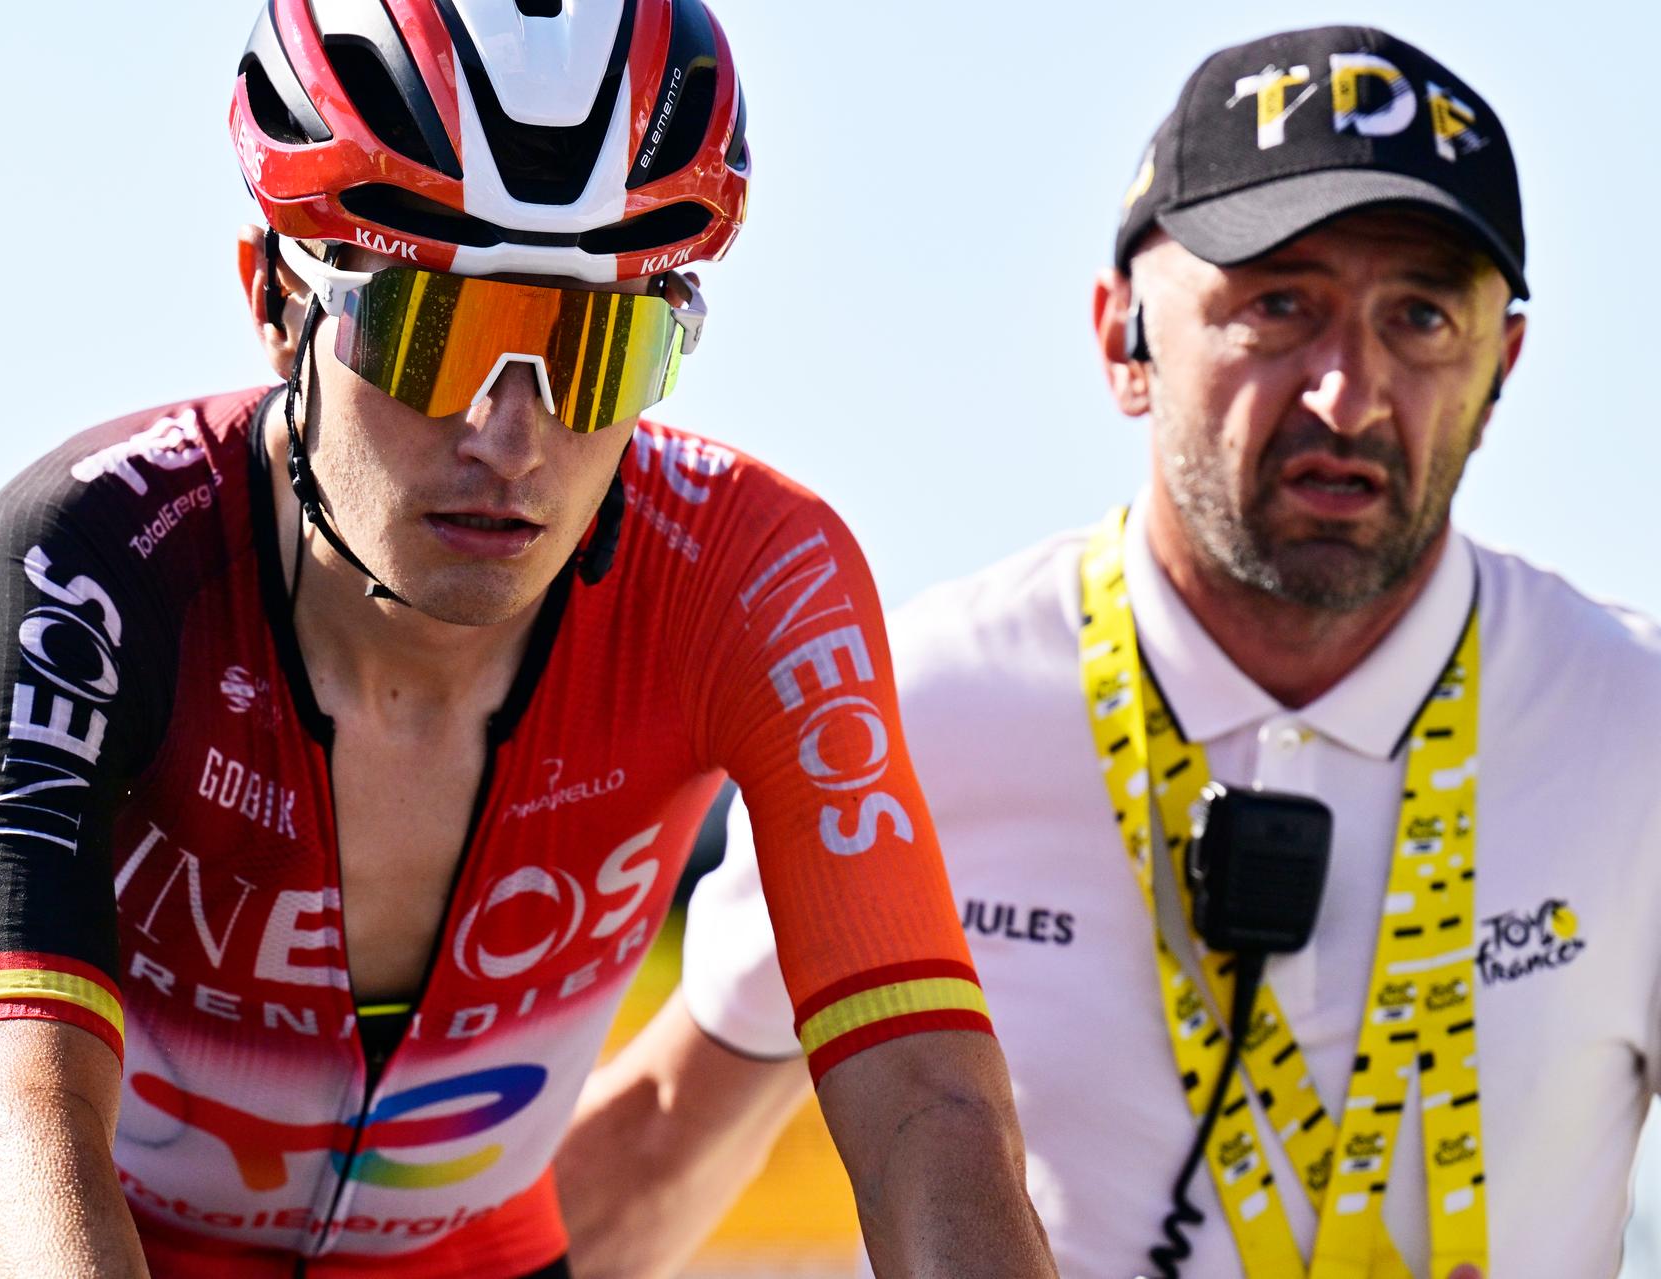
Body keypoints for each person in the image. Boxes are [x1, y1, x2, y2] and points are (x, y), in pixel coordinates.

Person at [0, 2, 1059, 1277]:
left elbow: (932, 1112)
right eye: (437, 339)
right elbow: (11, 1117)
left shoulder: (755, 578)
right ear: (275, 302)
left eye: (596, 352)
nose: (512, 438)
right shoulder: (95, 549)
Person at [560, 24, 1661, 1279]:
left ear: (1503, 362)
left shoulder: (1636, 726)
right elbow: (663, 1145)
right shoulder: (912, 710)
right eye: (1277, 305)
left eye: (1421, 316)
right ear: (1121, 338)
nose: (1349, 393)